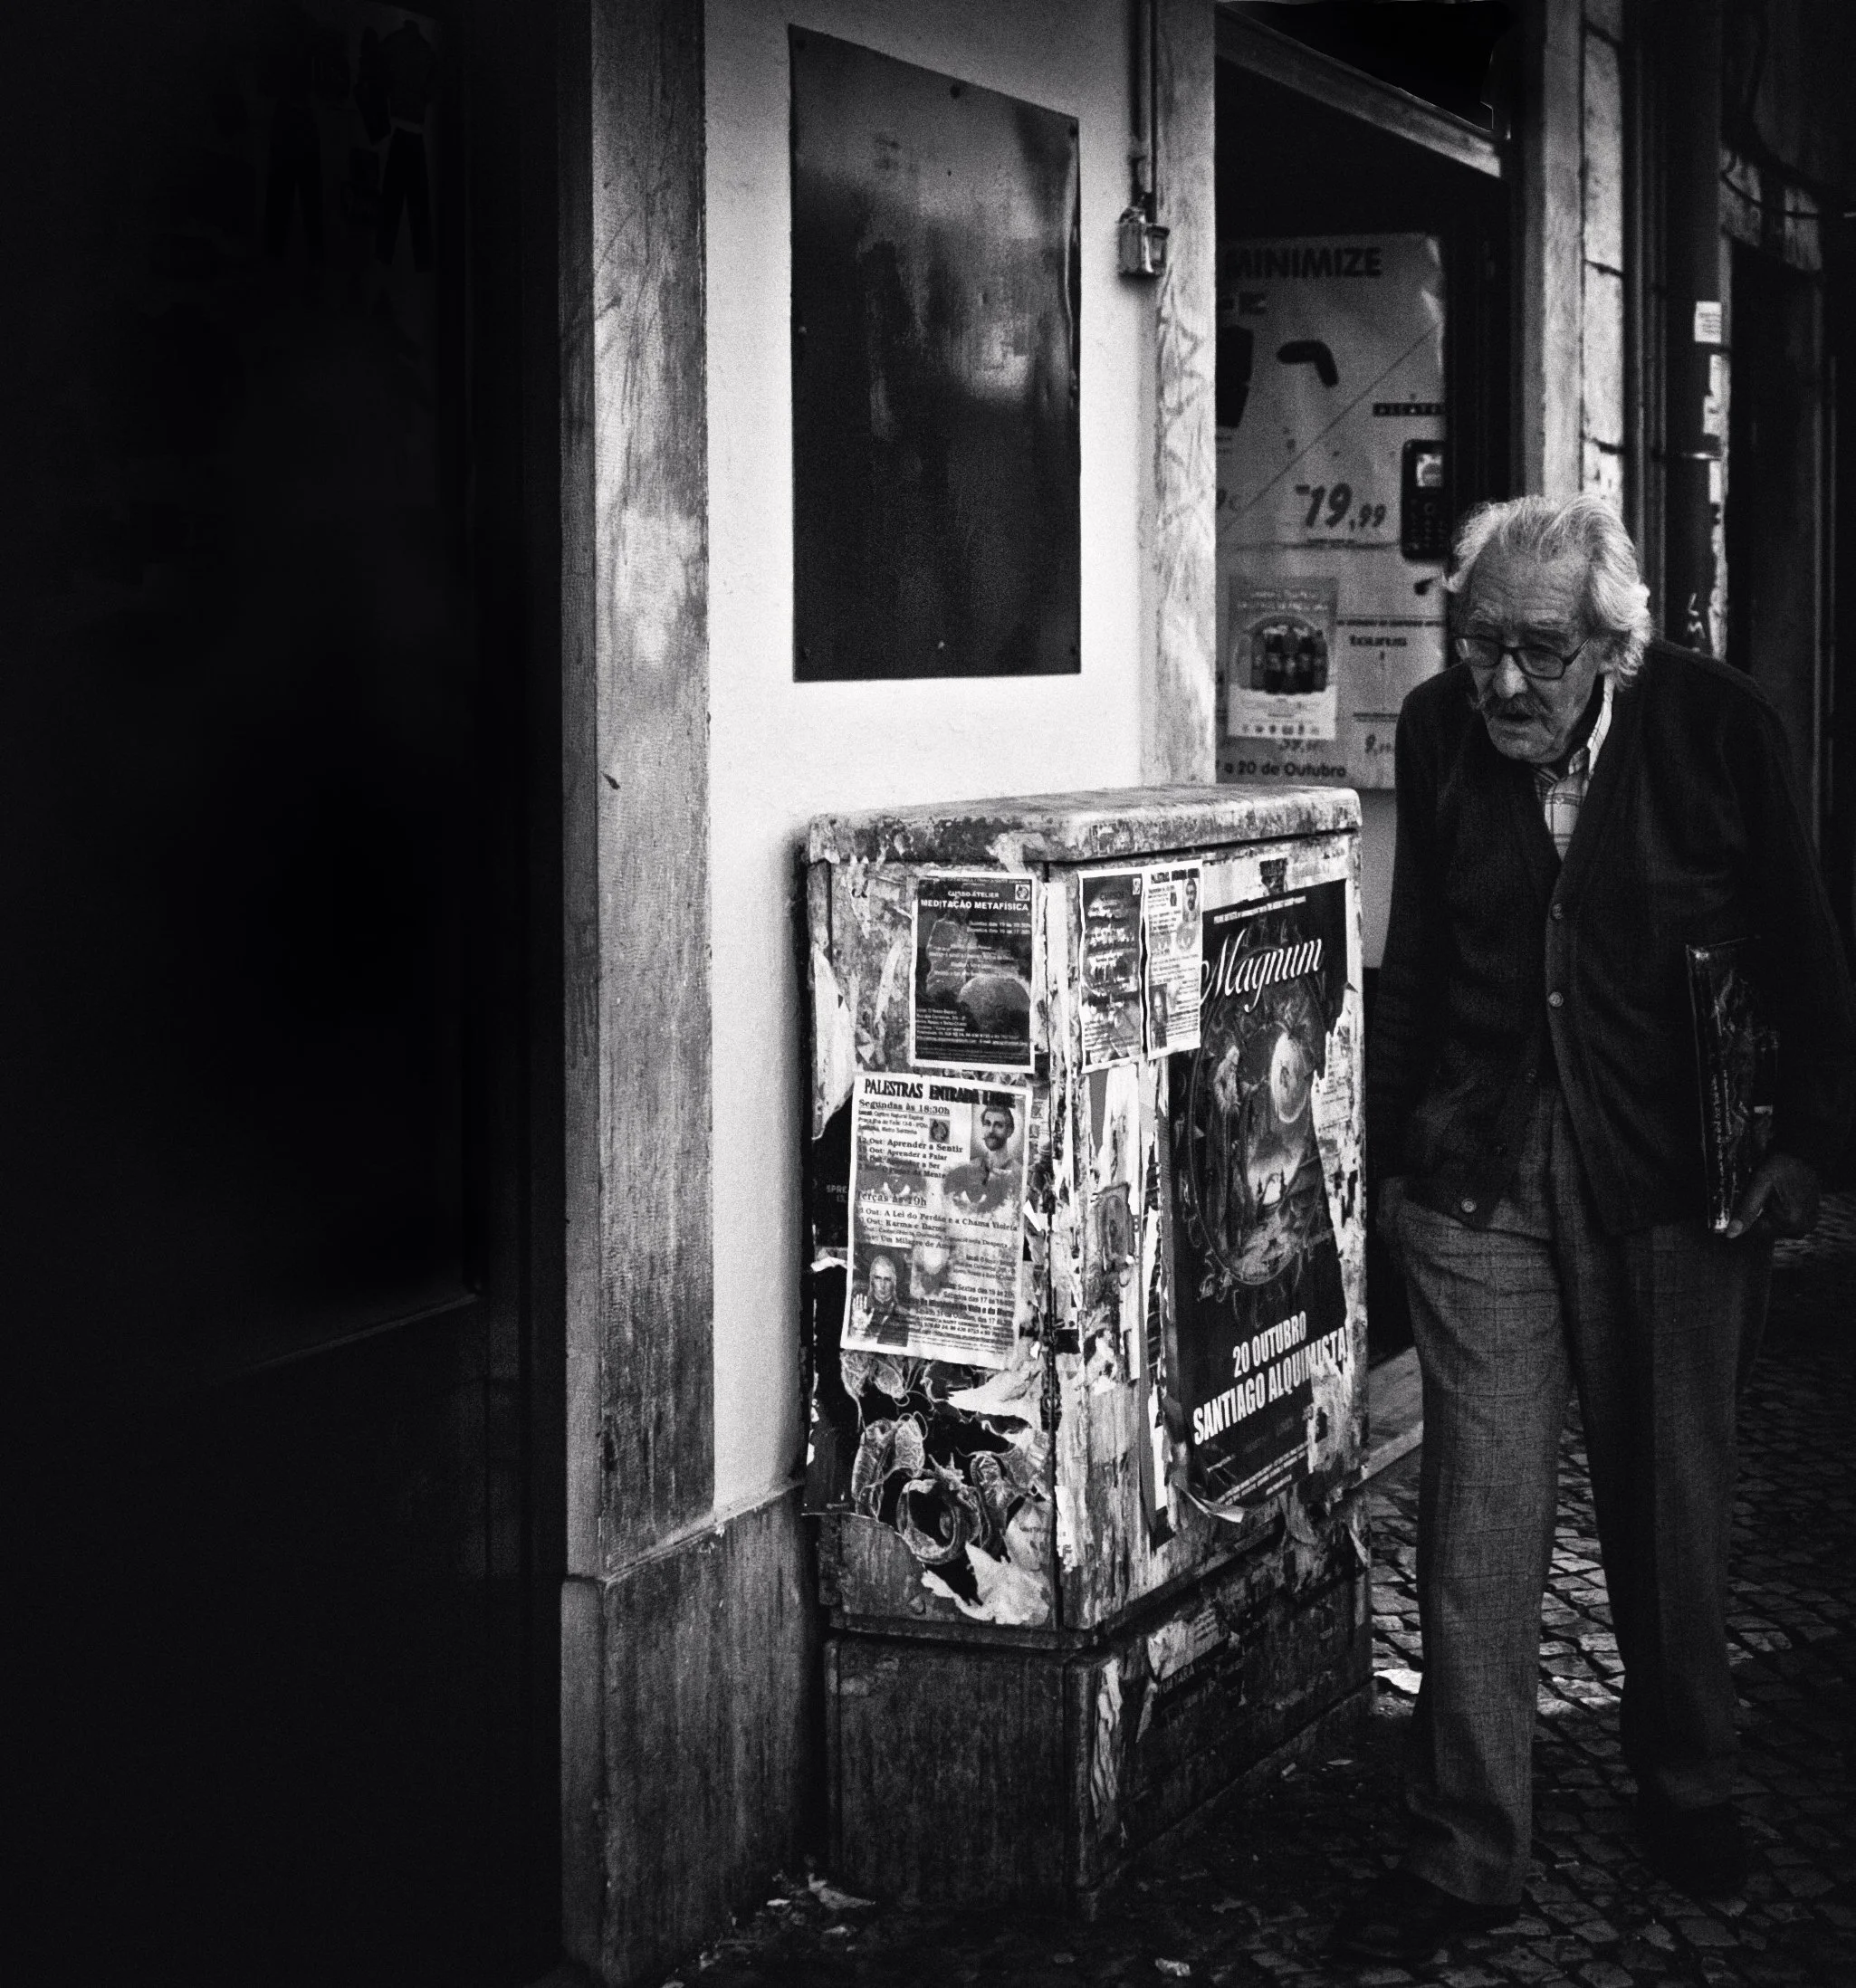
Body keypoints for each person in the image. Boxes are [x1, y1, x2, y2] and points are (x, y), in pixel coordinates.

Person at [1335, 495, 1856, 1965]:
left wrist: (1811, 1145)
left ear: (1615, 647)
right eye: (1480, 643)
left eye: (1539, 653)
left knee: (1673, 1501)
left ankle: (1690, 1780)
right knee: (1478, 1520)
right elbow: (1419, 949)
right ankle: (1465, 1850)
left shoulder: (1720, 728)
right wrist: (1390, 1164)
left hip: (1678, 1172)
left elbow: (1802, 943)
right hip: (1484, 1169)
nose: (1504, 681)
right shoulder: (1441, 733)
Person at [943, 1102, 1018, 1216]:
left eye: (998, 1125)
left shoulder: (1019, 1173)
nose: (991, 1130)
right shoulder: (971, 1167)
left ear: (1010, 1131)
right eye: (987, 1123)